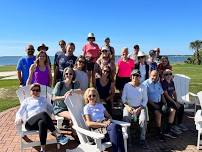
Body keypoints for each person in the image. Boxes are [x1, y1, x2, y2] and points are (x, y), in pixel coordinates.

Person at [15, 83, 69, 152]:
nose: (35, 92)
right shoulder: (26, 101)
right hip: (30, 124)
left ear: (39, 91)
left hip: (42, 122)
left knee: (42, 123)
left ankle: (43, 149)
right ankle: (58, 134)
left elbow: (52, 109)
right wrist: (18, 118)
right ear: (30, 91)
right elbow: (19, 112)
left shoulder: (43, 99)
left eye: (37, 90)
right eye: (33, 90)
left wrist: (60, 113)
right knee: (43, 113)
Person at [83, 87, 125, 152]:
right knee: (116, 128)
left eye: (94, 95)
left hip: (107, 127)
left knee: (117, 129)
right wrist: (103, 124)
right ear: (87, 97)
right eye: (90, 95)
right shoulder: (87, 107)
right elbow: (89, 123)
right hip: (98, 131)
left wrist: (109, 120)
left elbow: (109, 116)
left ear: (96, 96)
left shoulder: (100, 105)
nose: (92, 97)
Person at [122, 69, 148, 145]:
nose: (135, 77)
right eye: (133, 75)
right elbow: (123, 99)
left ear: (140, 77)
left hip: (140, 107)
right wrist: (128, 107)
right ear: (131, 76)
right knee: (126, 118)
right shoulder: (127, 85)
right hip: (129, 107)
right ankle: (128, 139)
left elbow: (145, 100)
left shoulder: (143, 86)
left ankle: (142, 139)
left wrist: (139, 108)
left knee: (143, 119)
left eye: (137, 75)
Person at [143, 70, 167, 141]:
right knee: (158, 113)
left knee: (167, 110)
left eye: (156, 75)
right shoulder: (146, 84)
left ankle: (167, 130)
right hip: (150, 104)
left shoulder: (158, 83)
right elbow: (146, 97)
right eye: (153, 75)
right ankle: (158, 132)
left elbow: (162, 93)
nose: (155, 77)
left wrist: (165, 103)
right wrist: (154, 105)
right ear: (150, 75)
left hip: (159, 102)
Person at [161, 69, 188, 135]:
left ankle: (179, 123)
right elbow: (166, 95)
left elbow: (174, 92)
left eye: (170, 74)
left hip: (172, 100)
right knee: (175, 107)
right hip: (166, 101)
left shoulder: (172, 82)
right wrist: (174, 102)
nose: (168, 75)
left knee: (181, 106)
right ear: (164, 76)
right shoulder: (163, 83)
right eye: (166, 74)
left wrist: (177, 100)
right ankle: (173, 126)